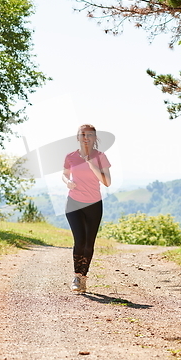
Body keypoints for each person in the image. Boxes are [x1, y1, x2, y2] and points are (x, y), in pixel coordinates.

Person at [62, 124, 111, 293]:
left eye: (90, 135)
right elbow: (64, 173)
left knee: (89, 243)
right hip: (74, 202)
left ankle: (83, 277)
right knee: (79, 240)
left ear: (94, 139)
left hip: (94, 204)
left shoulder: (100, 157)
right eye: (82, 134)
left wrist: (92, 165)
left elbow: (107, 182)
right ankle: (77, 277)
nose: (86, 138)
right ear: (78, 137)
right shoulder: (71, 156)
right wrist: (67, 182)